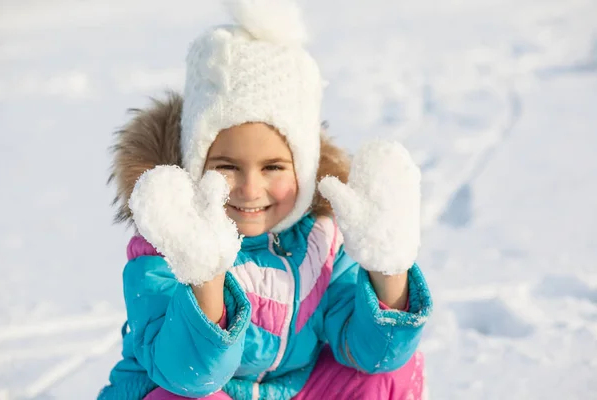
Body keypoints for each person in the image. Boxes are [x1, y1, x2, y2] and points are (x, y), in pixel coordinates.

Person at [98, 0, 433, 399]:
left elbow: (370, 354)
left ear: (304, 171)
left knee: (386, 375)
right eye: (226, 166)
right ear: (193, 162)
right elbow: (187, 375)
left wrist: (387, 268)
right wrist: (205, 275)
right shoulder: (164, 246)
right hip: (184, 389)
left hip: (292, 389)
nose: (250, 189)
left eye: (273, 167)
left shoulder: (322, 242)